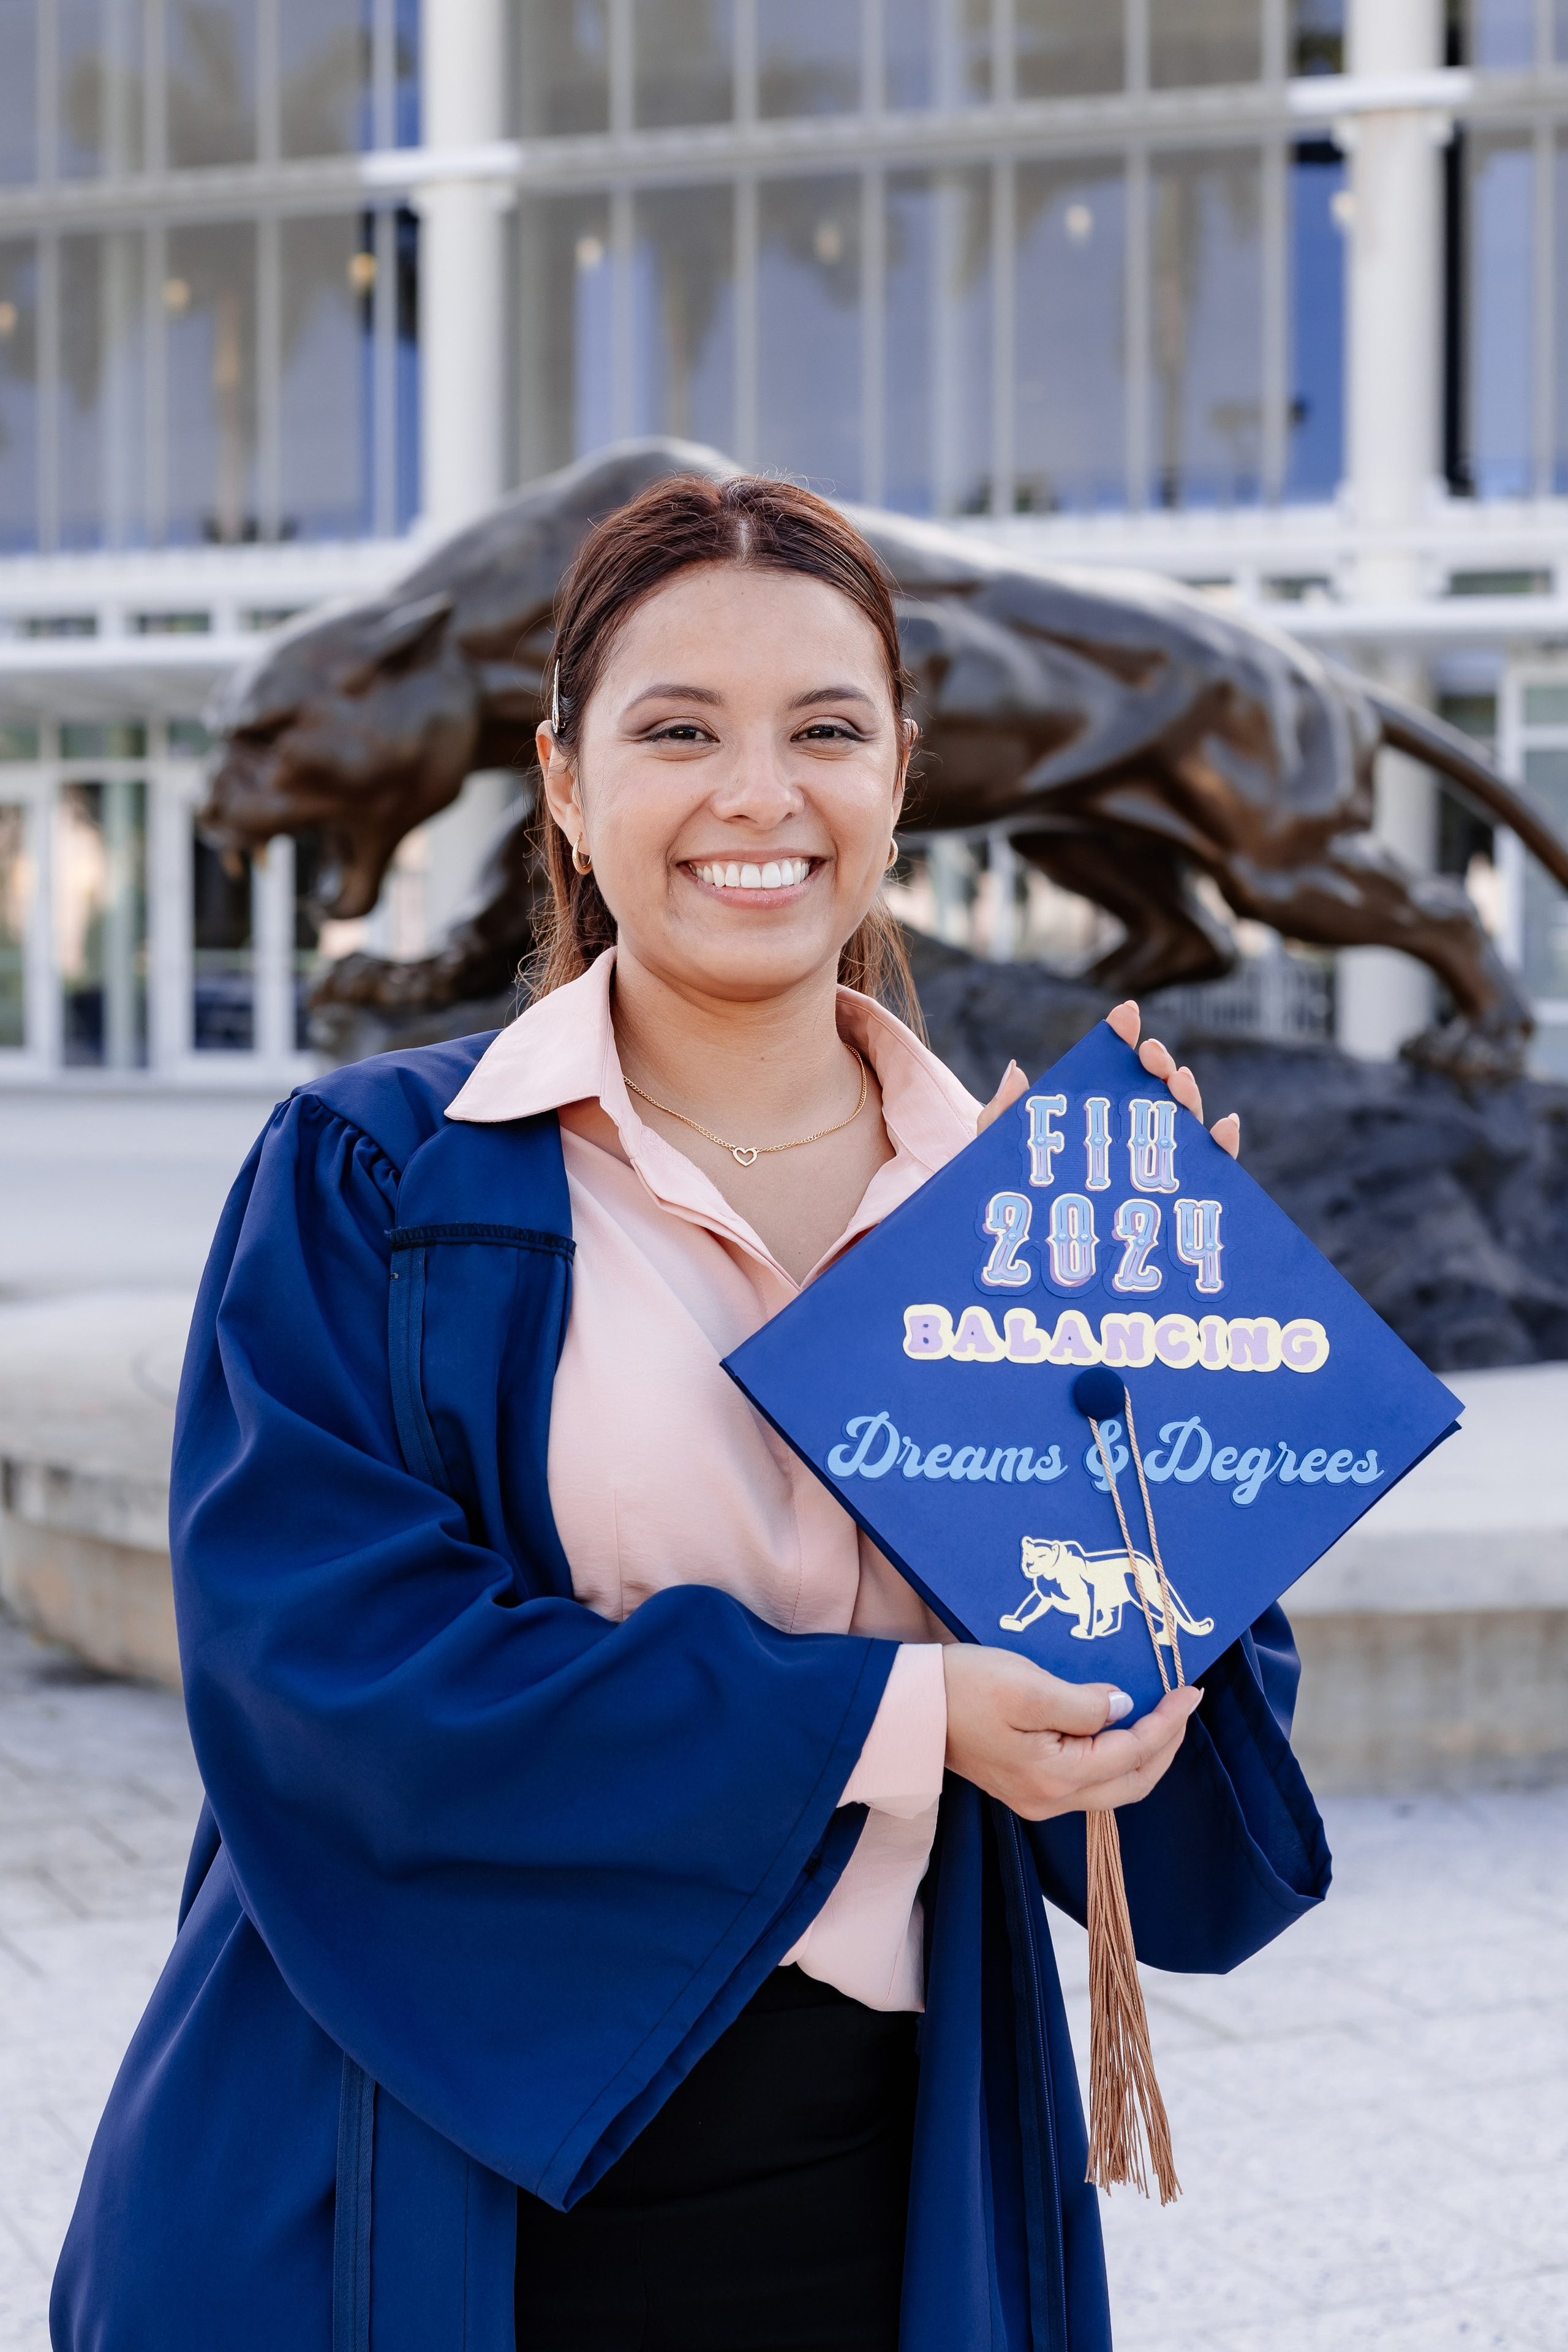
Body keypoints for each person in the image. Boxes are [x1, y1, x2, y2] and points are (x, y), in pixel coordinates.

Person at [51, 475, 1329, 2352]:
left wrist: (1165, 1412)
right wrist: (903, 1716)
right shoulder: (388, 1182)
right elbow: (336, 1678)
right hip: (423, 2177)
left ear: (903, 771)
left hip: (877, 2216)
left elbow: (1196, 1856)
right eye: (678, 732)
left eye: (826, 730)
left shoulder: (1017, 1221)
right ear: (566, 786)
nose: (758, 796)